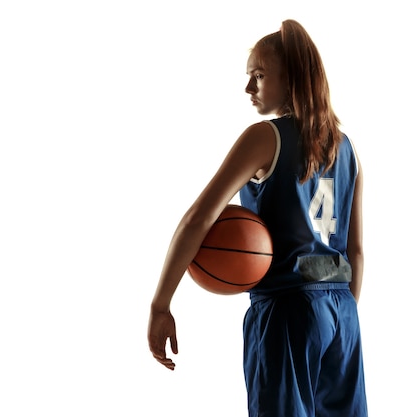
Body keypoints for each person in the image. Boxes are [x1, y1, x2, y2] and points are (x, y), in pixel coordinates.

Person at [148, 19, 368, 417]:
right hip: (342, 311)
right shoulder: (346, 147)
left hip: (286, 308)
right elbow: (356, 250)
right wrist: (339, 317)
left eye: (258, 76)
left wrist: (160, 305)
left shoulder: (266, 137)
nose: (249, 88)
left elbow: (197, 219)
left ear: (291, 78)